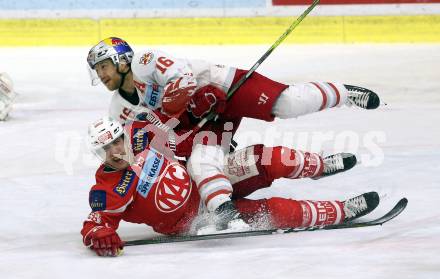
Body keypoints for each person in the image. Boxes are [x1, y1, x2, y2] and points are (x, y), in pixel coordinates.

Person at [86, 37, 381, 232]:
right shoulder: (118, 111)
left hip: (221, 87)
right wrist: (185, 132)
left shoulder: (145, 61)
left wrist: (190, 105)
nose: (101, 75)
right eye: (97, 71)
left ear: (122, 59)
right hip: (205, 124)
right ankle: (227, 213)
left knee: (288, 103)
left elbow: (183, 82)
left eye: (104, 66)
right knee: (201, 164)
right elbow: (151, 145)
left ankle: (345, 94)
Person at [80, 116, 379, 257]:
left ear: (123, 135)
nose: (116, 151)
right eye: (106, 149)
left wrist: (207, 135)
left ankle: (320, 165)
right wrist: (101, 237)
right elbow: (94, 225)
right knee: (273, 210)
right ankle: (340, 211)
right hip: (197, 220)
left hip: (209, 179)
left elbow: (182, 139)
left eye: (117, 141)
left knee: (264, 157)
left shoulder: (143, 135)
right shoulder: (106, 188)